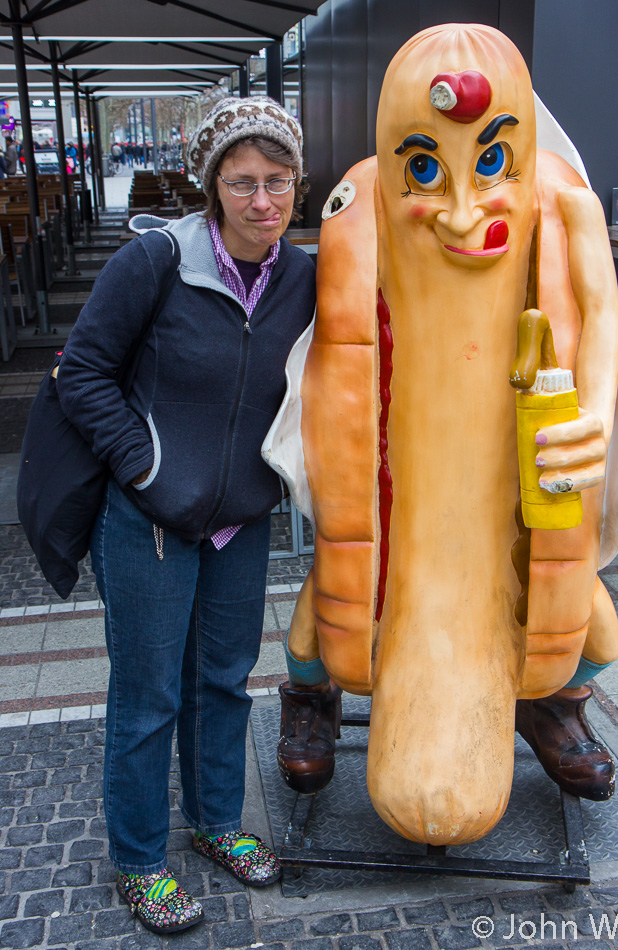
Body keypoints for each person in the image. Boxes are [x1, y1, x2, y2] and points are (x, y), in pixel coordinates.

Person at [56, 97, 315, 934]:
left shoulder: (307, 277)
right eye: (242, 183)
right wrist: (145, 468)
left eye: (277, 181)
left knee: (222, 684)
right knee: (147, 698)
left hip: (240, 521)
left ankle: (216, 826)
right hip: (149, 524)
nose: (262, 201)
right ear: (212, 187)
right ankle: (139, 862)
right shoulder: (158, 260)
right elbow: (81, 372)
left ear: (296, 185)